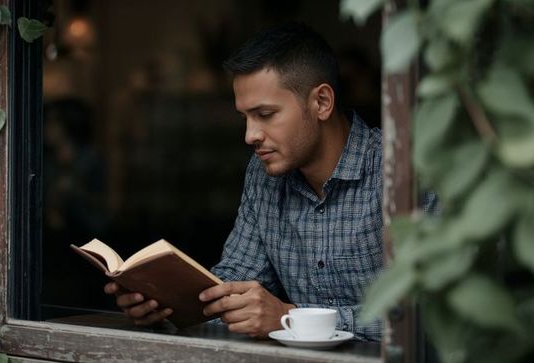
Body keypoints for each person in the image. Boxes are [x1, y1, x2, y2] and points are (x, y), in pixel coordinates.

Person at [104, 23, 383, 342]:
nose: (250, 135)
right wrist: (165, 306)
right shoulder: (263, 174)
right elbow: (233, 282)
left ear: (321, 102)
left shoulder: (398, 173)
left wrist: (288, 317)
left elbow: (429, 314)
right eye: (245, 117)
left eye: (265, 114)